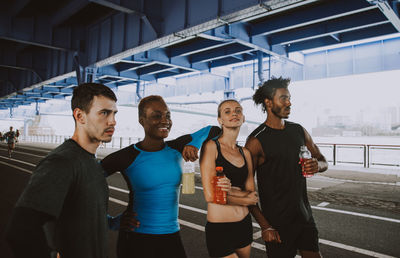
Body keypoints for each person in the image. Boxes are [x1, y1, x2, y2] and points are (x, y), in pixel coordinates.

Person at [5, 83, 118, 258]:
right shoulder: (62, 162)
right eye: (104, 113)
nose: (112, 121)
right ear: (80, 116)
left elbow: (80, 216)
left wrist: (111, 222)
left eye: (113, 113)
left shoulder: (91, 162)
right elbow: (20, 230)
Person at [101, 95, 220, 258]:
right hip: (136, 239)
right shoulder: (126, 156)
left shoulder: (178, 147)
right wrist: (110, 221)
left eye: (168, 116)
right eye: (157, 116)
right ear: (142, 120)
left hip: (171, 235)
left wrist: (194, 143)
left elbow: (215, 131)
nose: (165, 120)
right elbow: (84, 183)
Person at [245, 77, 328, 258]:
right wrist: (265, 225)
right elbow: (246, 191)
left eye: (289, 98)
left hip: (305, 217)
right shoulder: (255, 141)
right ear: (268, 102)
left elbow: (323, 160)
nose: (289, 103)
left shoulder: (298, 130)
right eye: (283, 98)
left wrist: (317, 166)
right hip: (277, 224)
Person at [200, 99, 258, 258]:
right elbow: (210, 196)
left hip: (244, 225)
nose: (234, 113)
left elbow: (252, 193)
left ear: (243, 117)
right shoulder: (211, 147)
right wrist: (244, 199)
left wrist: (229, 193)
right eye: (227, 111)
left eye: (238, 110)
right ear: (220, 120)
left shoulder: (245, 153)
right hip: (220, 228)